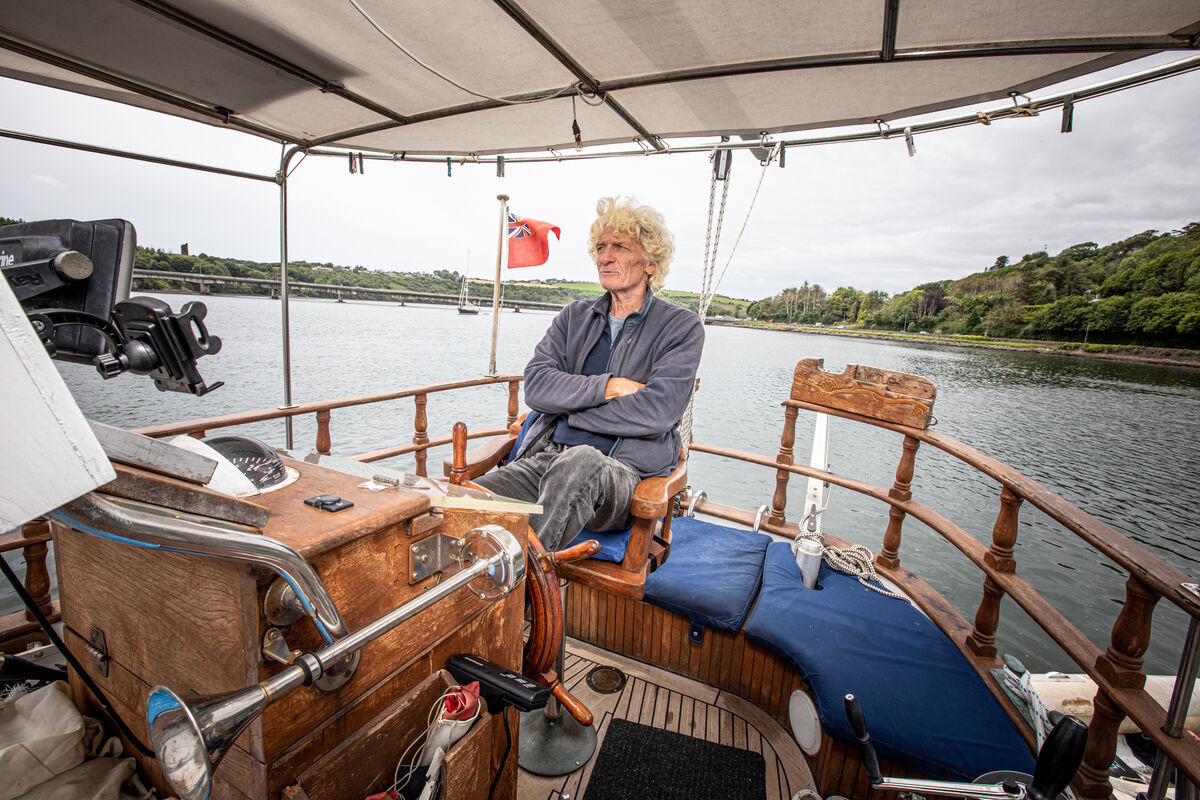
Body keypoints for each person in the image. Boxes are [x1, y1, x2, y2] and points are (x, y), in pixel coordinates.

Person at [473, 196, 704, 552]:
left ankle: (528, 597)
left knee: (580, 462)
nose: (605, 256)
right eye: (600, 247)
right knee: (463, 501)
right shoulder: (574, 316)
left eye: (620, 247)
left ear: (651, 263)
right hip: (548, 458)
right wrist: (606, 387)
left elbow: (658, 412)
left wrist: (569, 406)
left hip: (622, 477)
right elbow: (536, 386)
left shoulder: (681, 327)